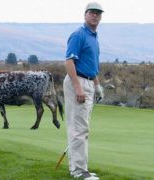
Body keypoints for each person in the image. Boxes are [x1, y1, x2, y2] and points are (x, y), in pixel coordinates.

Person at [63, 2, 104, 180]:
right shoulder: (78, 35)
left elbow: (92, 65)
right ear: (85, 14)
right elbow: (69, 62)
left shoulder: (94, 37)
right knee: (79, 128)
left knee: (83, 127)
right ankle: (78, 171)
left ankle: (80, 167)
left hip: (88, 82)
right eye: (92, 13)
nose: (95, 16)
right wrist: (79, 87)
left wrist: (97, 85)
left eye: (98, 13)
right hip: (77, 82)